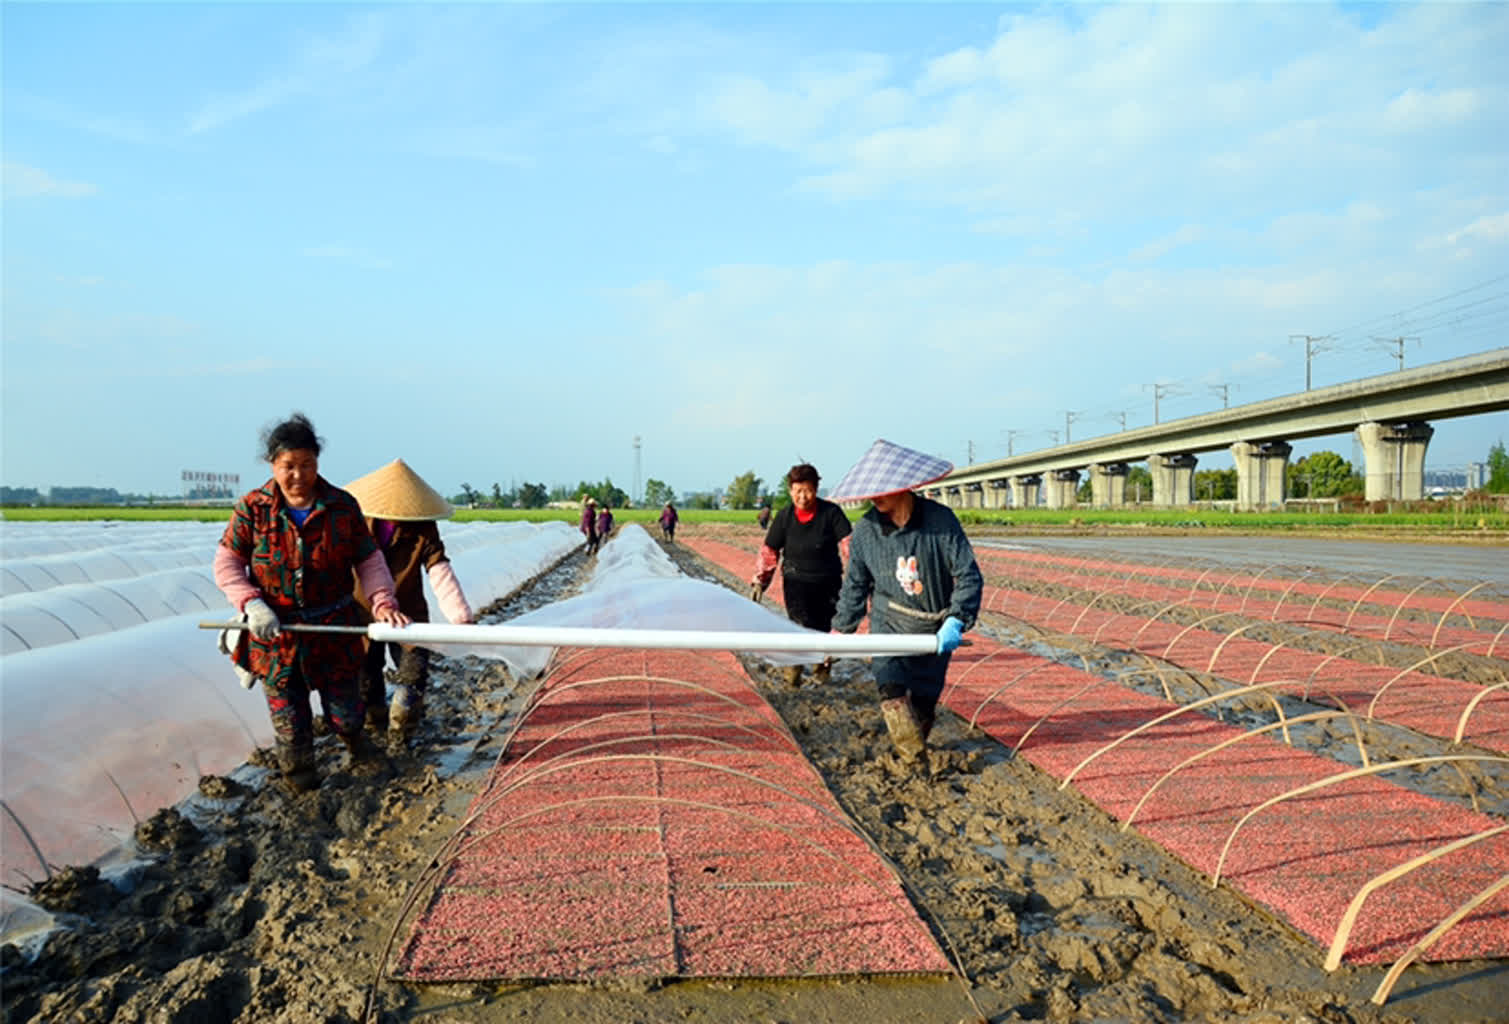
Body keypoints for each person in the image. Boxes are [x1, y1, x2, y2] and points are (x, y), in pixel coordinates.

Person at [214, 413, 410, 793]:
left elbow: (369, 560)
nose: (298, 476)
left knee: (346, 715)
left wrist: (383, 601)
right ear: (272, 464)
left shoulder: (341, 507)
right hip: (277, 636)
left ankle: (360, 752)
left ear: (317, 463)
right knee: (290, 727)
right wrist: (251, 603)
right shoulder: (252, 510)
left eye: (307, 465)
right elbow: (227, 563)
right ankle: (302, 787)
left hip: (332, 630)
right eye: (289, 466)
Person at [829, 439, 981, 767]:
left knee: (925, 705)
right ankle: (912, 763)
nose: (875, 496)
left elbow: (969, 576)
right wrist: (841, 629)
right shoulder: (866, 532)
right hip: (889, 624)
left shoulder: (942, 523)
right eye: (871, 491)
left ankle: (912, 751)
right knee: (892, 694)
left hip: (933, 627)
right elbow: (855, 585)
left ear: (904, 487)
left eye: (883, 489)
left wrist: (957, 618)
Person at [344, 458, 475, 752]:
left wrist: (461, 616)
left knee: (413, 674)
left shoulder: (423, 529)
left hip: (409, 613)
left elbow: (438, 568)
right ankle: (374, 725)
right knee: (366, 675)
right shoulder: (358, 524)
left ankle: (401, 735)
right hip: (363, 612)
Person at [751, 463, 853, 686]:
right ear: (790, 491)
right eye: (797, 491)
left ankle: (821, 673)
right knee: (798, 626)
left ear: (816, 489)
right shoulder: (785, 517)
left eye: (807, 490)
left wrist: (859, 574)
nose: (803, 497)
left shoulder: (831, 513)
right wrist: (760, 580)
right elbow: (770, 551)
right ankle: (793, 673)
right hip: (796, 582)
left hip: (828, 583)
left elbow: (848, 545)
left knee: (825, 628)